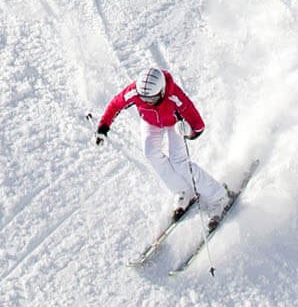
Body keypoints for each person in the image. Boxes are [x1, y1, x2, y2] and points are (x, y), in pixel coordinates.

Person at [95, 67, 231, 221]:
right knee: (150, 153)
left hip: (174, 124)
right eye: (144, 99)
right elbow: (115, 105)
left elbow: (198, 124)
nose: (147, 102)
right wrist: (103, 127)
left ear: (161, 92)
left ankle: (219, 196)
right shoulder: (135, 91)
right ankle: (182, 191)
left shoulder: (174, 96)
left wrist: (188, 131)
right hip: (150, 121)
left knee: (179, 162)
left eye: (151, 99)